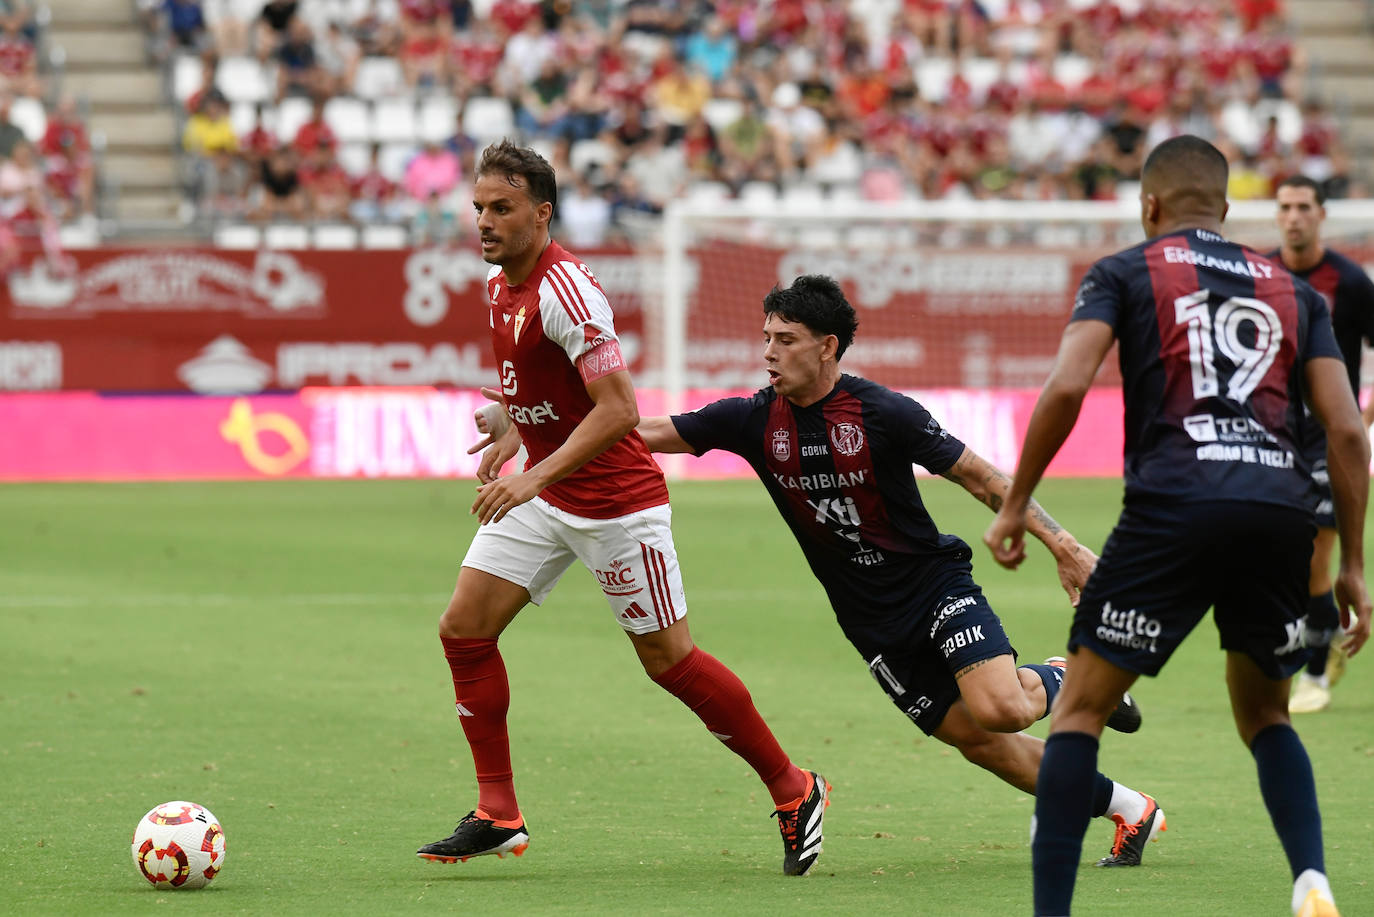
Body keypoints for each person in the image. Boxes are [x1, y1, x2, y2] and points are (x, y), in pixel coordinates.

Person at [633, 273, 1161, 869]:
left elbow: (981, 477)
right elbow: (641, 433)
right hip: (870, 623)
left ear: (827, 346)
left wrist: (1062, 545)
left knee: (1003, 710)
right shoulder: (751, 419)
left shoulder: (883, 412)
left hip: (933, 588)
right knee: (980, 742)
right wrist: (539, 431)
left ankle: (1074, 676)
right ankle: (1129, 809)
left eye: (785, 339)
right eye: (766, 338)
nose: (768, 353)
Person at [418, 139, 829, 877]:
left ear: (542, 214)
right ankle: (498, 812)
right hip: (548, 489)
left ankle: (795, 788)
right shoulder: (499, 284)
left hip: (615, 504)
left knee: (669, 661)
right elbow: (549, 383)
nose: (483, 220)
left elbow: (618, 410)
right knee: (464, 628)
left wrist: (531, 473)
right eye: (478, 207)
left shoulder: (567, 290)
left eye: (501, 208)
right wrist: (516, 424)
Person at [985, 135, 1371, 917]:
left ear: (1148, 205)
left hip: (1174, 505)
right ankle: (1311, 882)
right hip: (1278, 515)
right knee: (1265, 714)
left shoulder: (1126, 271)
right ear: (1228, 211)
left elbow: (1065, 386)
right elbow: (1349, 434)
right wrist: (1353, 561)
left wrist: (1017, 498)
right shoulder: (1299, 295)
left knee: (1081, 710)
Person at [1270, 174, 1374, 714]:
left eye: (1303, 206)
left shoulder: (1350, 282)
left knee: (1317, 557)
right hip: (1271, 433)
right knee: (1280, 553)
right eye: (1285, 206)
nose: (1293, 216)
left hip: (1329, 439)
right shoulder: (1257, 274)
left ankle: (1314, 673)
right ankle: (1315, 636)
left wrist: (1360, 417)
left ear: (1321, 214)